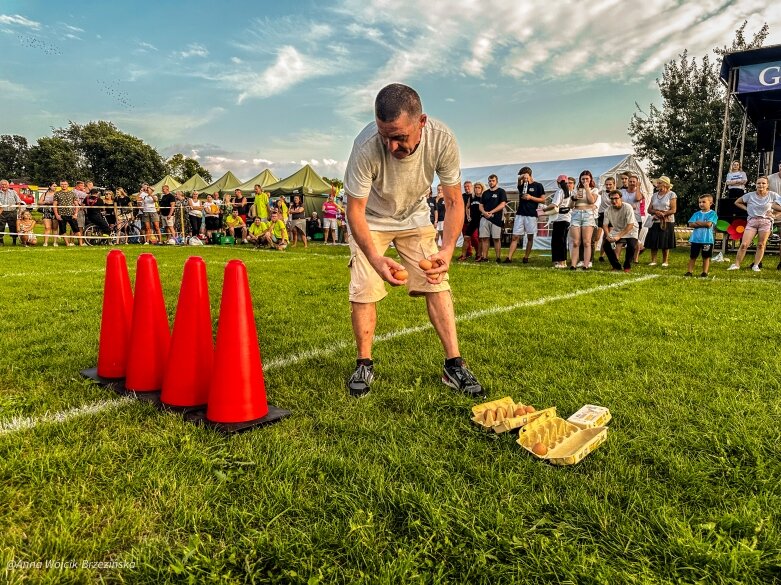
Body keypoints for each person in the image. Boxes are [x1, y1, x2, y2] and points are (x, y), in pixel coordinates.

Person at [343, 82, 483, 397]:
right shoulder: (365, 146)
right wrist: (376, 260)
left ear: (421, 122)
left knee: (437, 280)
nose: (392, 146)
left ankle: (454, 364)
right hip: (372, 221)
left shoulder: (443, 139)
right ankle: (364, 363)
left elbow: (453, 201)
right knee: (364, 286)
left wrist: (448, 250)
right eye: (385, 136)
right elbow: (354, 211)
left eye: (400, 137)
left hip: (415, 217)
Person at [728, 176, 781, 272]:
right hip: (752, 222)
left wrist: (774, 215)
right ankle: (736, 264)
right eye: (759, 183)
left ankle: (756, 265)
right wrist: (747, 209)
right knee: (744, 244)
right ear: (756, 185)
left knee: (761, 245)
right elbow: (737, 202)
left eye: (763, 183)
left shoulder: (773, 195)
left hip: (766, 222)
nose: (761, 185)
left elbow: (780, 206)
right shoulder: (750, 195)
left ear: (767, 185)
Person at [506, 166, 545, 263]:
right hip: (520, 214)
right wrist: (522, 177)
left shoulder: (538, 186)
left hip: (531, 215)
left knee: (530, 237)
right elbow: (518, 180)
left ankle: (526, 257)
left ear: (530, 175)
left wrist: (530, 197)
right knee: (515, 236)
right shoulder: (522, 185)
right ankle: (509, 257)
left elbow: (543, 200)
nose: (523, 178)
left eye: (524, 176)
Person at [568, 170, 599, 270]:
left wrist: (587, 189)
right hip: (576, 214)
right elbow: (570, 206)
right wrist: (574, 199)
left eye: (587, 179)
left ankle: (586, 264)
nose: (585, 180)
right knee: (576, 242)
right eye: (583, 179)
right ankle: (573, 264)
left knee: (587, 242)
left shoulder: (594, 190)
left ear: (590, 180)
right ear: (580, 180)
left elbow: (591, 201)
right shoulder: (575, 190)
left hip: (587, 214)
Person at [602, 190, 638, 273]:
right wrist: (608, 235)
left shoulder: (627, 207)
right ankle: (616, 266)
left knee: (631, 246)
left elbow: (630, 225)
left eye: (616, 198)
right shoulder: (607, 210)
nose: (614, 201)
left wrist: (618, 236)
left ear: (620, 198)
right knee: (606, 245)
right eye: (611, 199)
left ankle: (627, 266)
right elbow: (605, 225)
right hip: (617, 229)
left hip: (631, 229)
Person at [645, 176, 677, 267]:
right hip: (655, 220)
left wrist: (664, 214)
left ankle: (665, 261)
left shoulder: (672, 194)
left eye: (659, 183)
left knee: (665, 241)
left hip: (667, 221)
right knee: (654, 241)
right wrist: (656, 212)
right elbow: (649, 209)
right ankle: (653, 260)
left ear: (665, 184)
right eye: (657, 183)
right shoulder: (654, 195)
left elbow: (673, 210)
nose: (657, 185)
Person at [686, 194, 718, 277]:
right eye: (700, 202)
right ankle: (689, 271)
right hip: (695, 239)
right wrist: (702, 224)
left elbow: (708, 224)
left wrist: (698, 223)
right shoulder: (696, 214)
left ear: (710, 203)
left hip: (707, 240)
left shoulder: (713, 214)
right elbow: (690, 224)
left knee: (706, 257)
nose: (701, 204)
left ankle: (704, 272)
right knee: (693, 256)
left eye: (704, 202)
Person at [477, 174, 507, 263]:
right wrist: (484, 212)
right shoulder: (485, 193)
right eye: (489, 181)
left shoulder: (501, 191)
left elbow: (502, 204)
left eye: (493, 180)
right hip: (485, 218)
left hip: (496, 219)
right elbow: (480, 206)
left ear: (496, 181)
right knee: (485, 238)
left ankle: (498, 257)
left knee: (496, 239)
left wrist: (491, 212)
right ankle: (484, 257)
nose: (491, 182)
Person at [548, 175, 572, 268]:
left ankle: (559, 261)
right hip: (567, 218)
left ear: (558, 183)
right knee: (563, 240)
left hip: (559, 218)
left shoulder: (559, 191)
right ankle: (563, 261)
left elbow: (554, 205)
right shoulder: (570, 192)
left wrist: (544, 209)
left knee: (557, 241)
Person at [594, 176, 616, 262]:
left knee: (607, 237)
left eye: (610, 184)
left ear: (614, 185)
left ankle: (602, 256)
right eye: (606, 184)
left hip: (611, 216)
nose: (608, 186)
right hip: (601, 215)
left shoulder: (616, 194)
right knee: (596, 237)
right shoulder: (601, 192)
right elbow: (594, 194)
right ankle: (591, 255)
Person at [53, 180, 81, 246]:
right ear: (60, 185)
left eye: (65, 184)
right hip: (61, 214)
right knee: (63, 230)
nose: (63, 186)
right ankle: (67, 244)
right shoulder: (57, 193)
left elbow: (77, 205)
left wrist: (76, 214)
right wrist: (57, 215)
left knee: (76, 229)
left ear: (68, 185)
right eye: (62, 184)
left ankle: (80, 243)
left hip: (71, 214)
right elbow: (54, 205)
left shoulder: (72, 193)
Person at [0, 179, 23, 246]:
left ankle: (14, 241)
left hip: (12, 212)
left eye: (5, 184)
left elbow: (18, 202)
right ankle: (1, 241)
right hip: (2, 212)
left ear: (8, 185)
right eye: (2, 184)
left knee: (13, 226)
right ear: (0, 185)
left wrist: (20, 211)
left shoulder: (13, 192)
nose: (4, 186)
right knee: (1, 227)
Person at [457, 180, 476, 260]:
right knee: (466, 237)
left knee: (474, 237)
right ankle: (468, 252)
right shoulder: (462, 196)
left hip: (473, 220)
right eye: (465, 187)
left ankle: (479, 253)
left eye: (468, 186)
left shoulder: (475, 196)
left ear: (471, 187)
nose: (466, 188)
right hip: (464, 220)